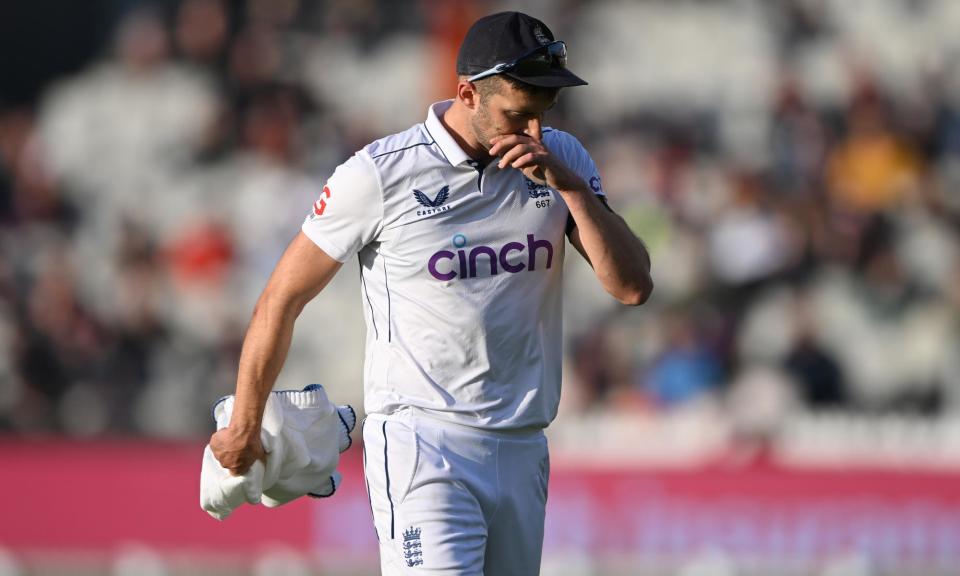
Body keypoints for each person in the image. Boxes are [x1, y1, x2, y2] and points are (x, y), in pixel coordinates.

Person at [209, 11, 653, 575]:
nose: (535, 131)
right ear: (468, 92)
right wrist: (246, 423)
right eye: (518, 115)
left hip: (524, 445)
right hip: (425, 445)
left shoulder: (561, 159)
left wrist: (570, 189)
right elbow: (280, 299)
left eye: (544, 112)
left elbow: (632, 286)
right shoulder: (380, 174)